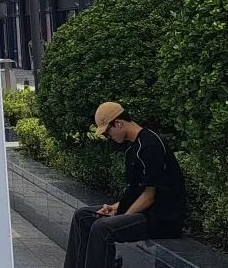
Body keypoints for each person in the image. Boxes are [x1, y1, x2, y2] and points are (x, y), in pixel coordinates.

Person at [64, 102, 186, 268]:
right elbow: (136, 191)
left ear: (118, 123)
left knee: (102, 228)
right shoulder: (134, 147)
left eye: (108, 132)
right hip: (144, 212)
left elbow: (149, 197)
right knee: (83, 216)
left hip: (161, 218)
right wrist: (115, 208)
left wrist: (122, 216)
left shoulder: (150, 146)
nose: (109, 137)